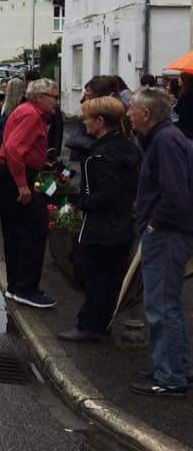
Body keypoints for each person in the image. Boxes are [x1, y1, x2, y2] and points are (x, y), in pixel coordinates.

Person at [126, 87, 193, 396]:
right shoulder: (166, 137)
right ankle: (175, 366)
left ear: (146, 114)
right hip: (169, 232)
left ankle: (169, 377)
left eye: (132, 109)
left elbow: (175, 194)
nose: (128, 113)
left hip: (166, 234)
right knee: (167, 305)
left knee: (161, 306)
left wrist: (153, 225)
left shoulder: (165, 140)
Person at [57, 97, 139, 343]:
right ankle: (100, 324)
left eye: (87, 118)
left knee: (95, 277)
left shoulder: (101, 156)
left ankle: (90, 326)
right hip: (122, 223)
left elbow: (105, 193)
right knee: (109, 278)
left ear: (100, 121)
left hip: (102, 226)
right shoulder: (126, 147)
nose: (84, 122)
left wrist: (81, 202)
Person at [0, 78, 60, 309]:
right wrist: (22, 185)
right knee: (33, 231)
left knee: (17, 232)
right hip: (16, 175)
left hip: (12, 173)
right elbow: (13, 149)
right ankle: (25, 288)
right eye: (54, 97)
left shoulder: (27, 111)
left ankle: (16, 286)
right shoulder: (31, 114)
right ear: (40, 97)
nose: (57, 102)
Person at [174, 73, 193, 140]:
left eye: (180, 78)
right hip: (184, 128)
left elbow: (186, 112)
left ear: (186, 80)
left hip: (188, 131)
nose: (178, 80)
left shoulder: (189, 94)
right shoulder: (183, 92)